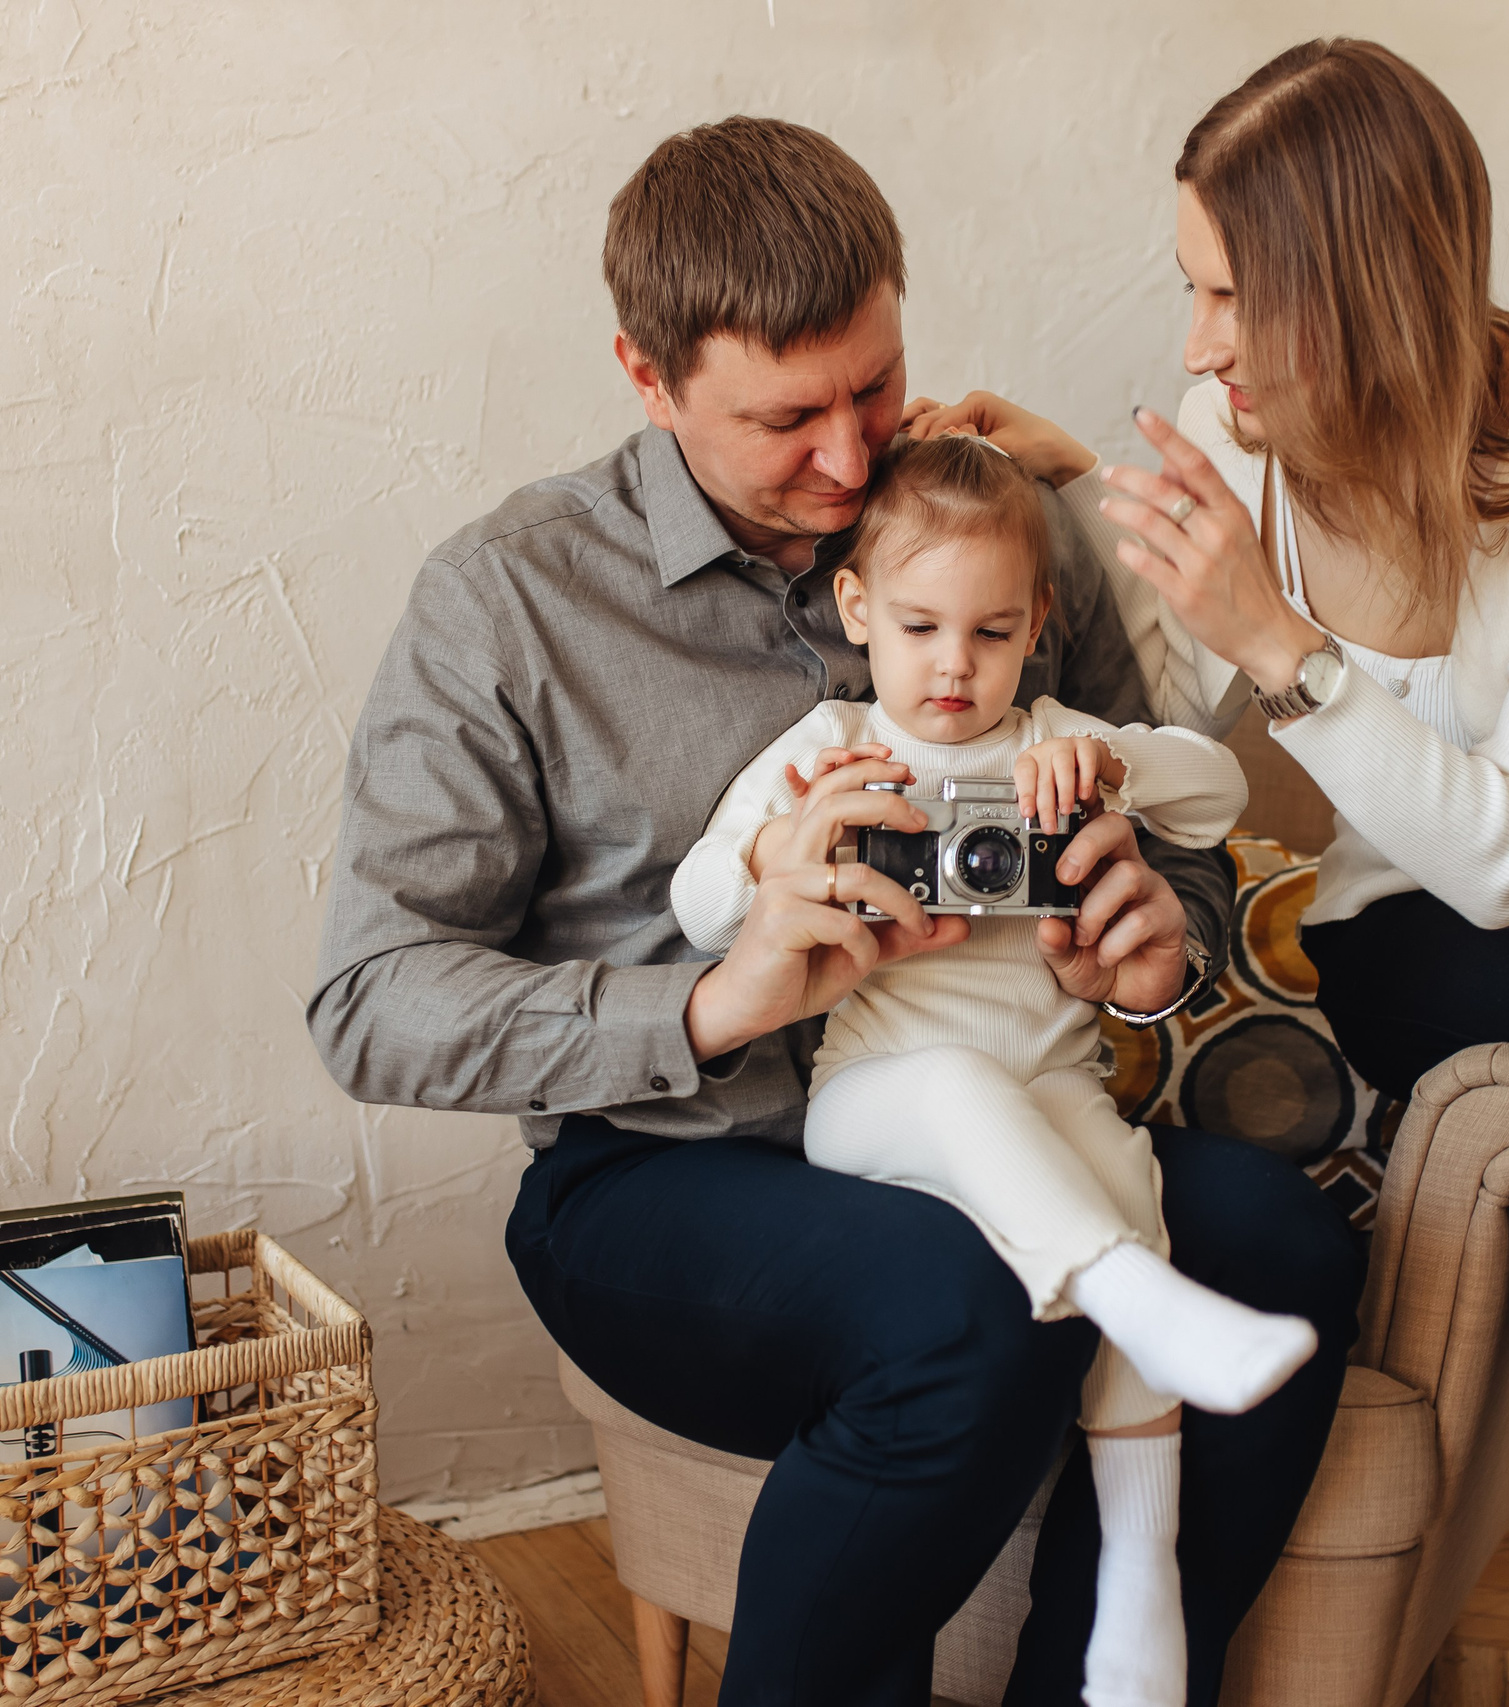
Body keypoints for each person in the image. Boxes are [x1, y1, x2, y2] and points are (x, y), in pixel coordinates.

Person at [307, 115, 1364, 1707]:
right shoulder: (509, 599)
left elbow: (1169, 825)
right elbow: (372, 997)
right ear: (648, 377)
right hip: (665, 1172)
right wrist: (715, 997)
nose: (853, 460)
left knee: (1279, 1241)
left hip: (1013, 1090)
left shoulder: (998, 526)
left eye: (873, 387)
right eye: (786, 418)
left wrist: (1155, 946)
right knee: (956, 1312)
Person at [908, 38, 1509, 1707]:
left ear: (1357, 285)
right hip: (1422, 908)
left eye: (1232, 297)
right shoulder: (1249, 427)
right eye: (1193, 288)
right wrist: (1078, 495)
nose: (1201, 344)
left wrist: (1288, 646)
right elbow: (1211, 723)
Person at [674, 432, 1315, 1707]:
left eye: (993, 632)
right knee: (979, 1106)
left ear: (1039, 626)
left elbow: (1218, 790)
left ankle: (1138, 1589)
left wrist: (1114, 765)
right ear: (857, 608)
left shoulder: (1056, 740)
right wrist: (776, 854)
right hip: (881, 1096)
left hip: (1052, 1087)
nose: (954, 667)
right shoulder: (831, 744)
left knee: (1118, 1176)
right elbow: (695, 906)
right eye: (919, 627)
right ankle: (1142, 1301)